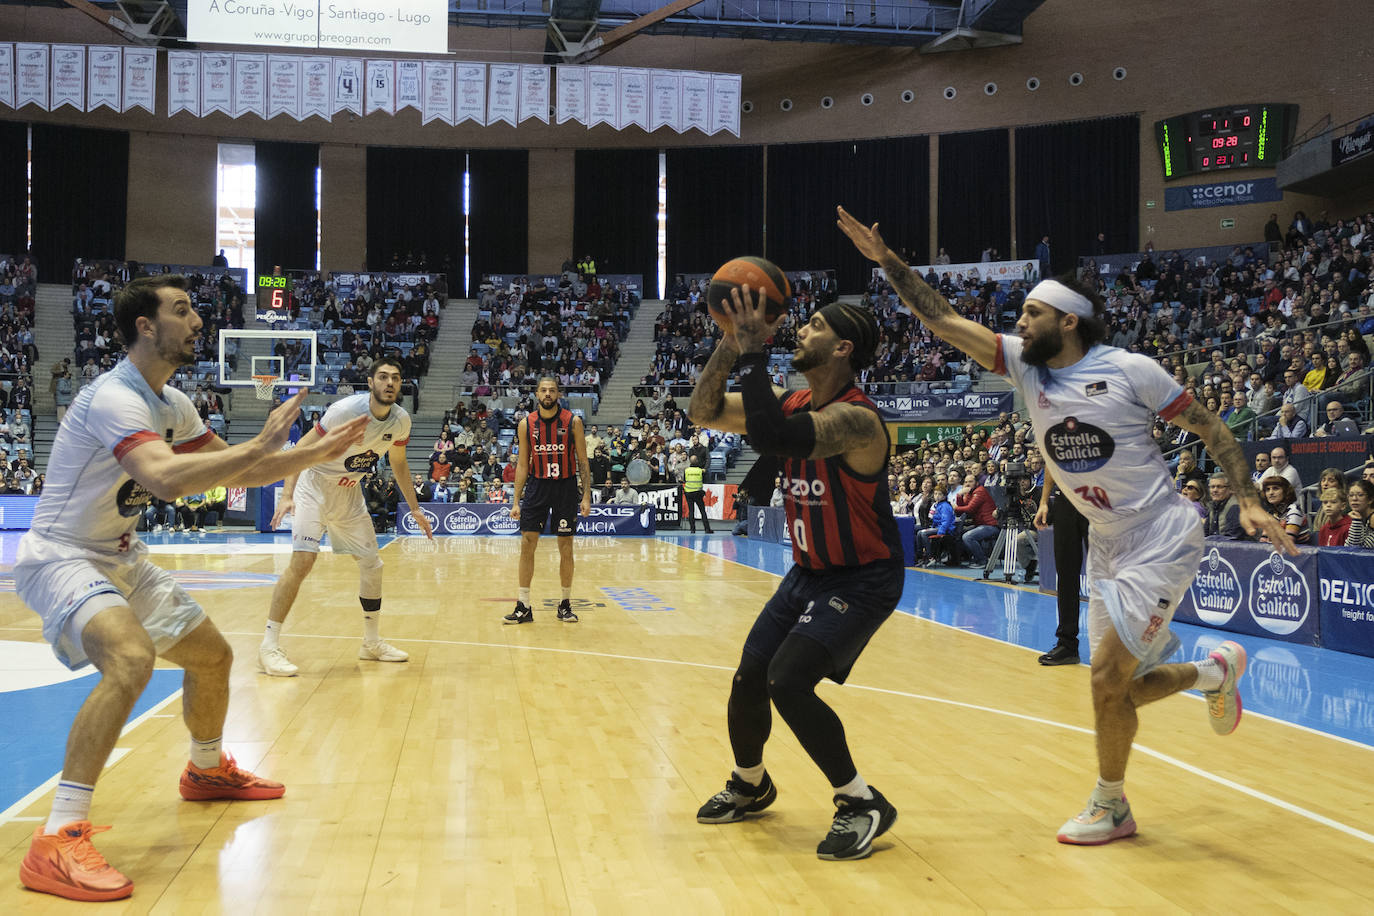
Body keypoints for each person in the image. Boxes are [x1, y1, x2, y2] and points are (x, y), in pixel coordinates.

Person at [838, 206, 1296, 846]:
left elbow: (1212, 429)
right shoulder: (1026, 366)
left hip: (1161, 532)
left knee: (1106, 682)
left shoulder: (1133, 370)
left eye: (1031, 314)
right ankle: (1212, 672)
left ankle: (1113, 805)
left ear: (1067, 321)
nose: (1019, 323)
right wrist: (887, 261)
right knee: (1120, 691)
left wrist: (1246, 498)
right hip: (1107, 543)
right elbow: (940, 319)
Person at [14, 275, 369, 902]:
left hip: (120, 556)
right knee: (131, 659)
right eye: (181, 310)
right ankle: (57, 839)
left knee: (213, 657)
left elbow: (247, 467)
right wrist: (261, 445)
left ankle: (205, 771)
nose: (198, 320)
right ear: (145, 326)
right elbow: (164, 479)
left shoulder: (173, 404)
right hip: (62, 556)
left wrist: (313, 453)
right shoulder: (111, 398)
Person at [688, 287, 903, 861]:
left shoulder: (857, 420)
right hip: (808, 573)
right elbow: (702, 411)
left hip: (863, 577)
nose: (801, 331)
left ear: (843, 348)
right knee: (749, 678)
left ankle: (862, 802)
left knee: (787, 681)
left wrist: (756, 355)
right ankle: (750, 782)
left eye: (813, 325)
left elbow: (775, 440)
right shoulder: (788, 402)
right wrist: (730, 346)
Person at [259, 358, 434, 677]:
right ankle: (269, 645)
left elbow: (400, 464)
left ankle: (371, 642)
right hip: (314, 485)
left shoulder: (401, 421)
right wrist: (286, 495)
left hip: (350, 492)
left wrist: (416, 508)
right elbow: (300, 448)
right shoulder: (344, 411)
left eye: (395, 377)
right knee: (302, 563)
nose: (389, 383)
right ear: (370, 382)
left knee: (373, 565)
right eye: (382, 377)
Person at [504, 376, 592, 625]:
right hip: (537, 486)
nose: (548, 394)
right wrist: (516, 500)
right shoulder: (526, 424)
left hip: (565, 487)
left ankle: (565, 604)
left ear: (558, 394)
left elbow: (583, 461)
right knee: (527, 543)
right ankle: (523, 605)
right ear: (537, 394)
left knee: (566, 546)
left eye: (552, 390)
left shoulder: (573, 422)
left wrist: (586, 495)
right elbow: (523, 463)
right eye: (543, 390)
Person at [1036, 464, 1088, 666]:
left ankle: (1118, 649)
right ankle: (1067, 645)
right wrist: (1044, 501)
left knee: (1106, 576)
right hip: (1065, 498)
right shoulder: (1057, 432)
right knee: (1065, 573)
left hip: (1100, 499)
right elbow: (1051, 459)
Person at [1203, 473, 1245, 539]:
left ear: (1231, 489)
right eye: (1212, 487)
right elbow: (1204, 533)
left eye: (1219, 487)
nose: (1215, 490)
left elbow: (1233, 538)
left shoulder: (1236, 507)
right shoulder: (1212, 506)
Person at [683, 454, 712, 534]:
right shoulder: (700, 470)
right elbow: (705, 479)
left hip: (688, 493)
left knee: (691, 511)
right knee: (702, 511)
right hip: (698, 493)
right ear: (696, 461)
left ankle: (692, 530)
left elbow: (684, 480)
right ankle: (707, 529)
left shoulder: (686, 470)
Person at [1346, 480, 1374, 548]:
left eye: (1360, 495)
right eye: (1351, 495)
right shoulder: (1355, 516)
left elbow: (1357, 549)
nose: (1354, 499)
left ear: (1370, 499)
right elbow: (1348, 546)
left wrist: (1356, 521)